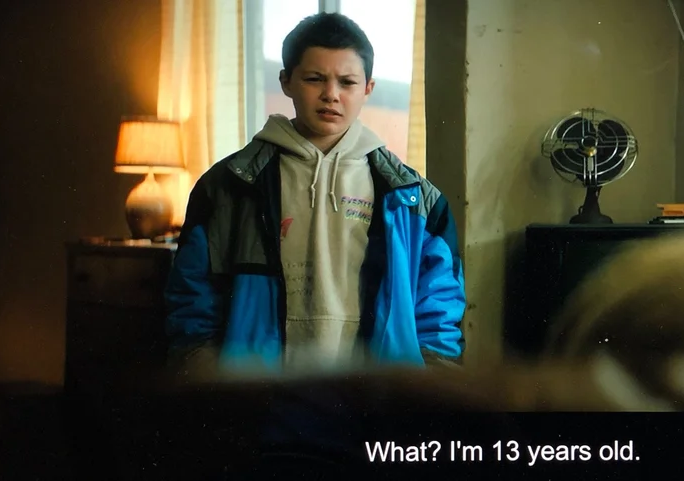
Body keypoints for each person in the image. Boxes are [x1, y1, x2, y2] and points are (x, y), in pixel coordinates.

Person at [163, 12, 465, 380]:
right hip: (256, 393)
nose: (331, 94)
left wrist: (430, 383)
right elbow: (192, 297)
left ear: (368, 88)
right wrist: (205, 371)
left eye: (347, 82)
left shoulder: (412, 199)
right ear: (286, 81)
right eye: (314, 79)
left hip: (376, 395)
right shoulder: (229, 187)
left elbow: (439, 310)